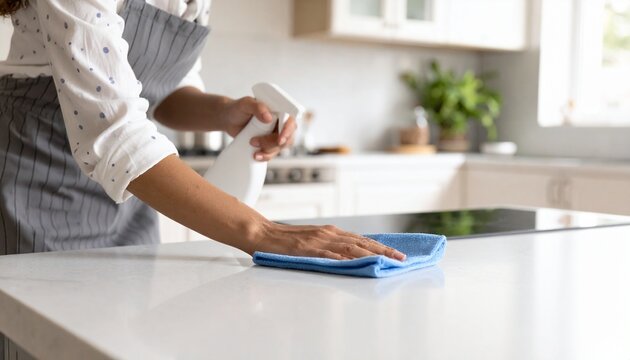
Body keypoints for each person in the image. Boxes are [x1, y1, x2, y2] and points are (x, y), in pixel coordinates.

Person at [0, 0, 407, 259]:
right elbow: (115, 132)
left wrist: (224, 112)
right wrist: (265, 232)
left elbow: (167, 91)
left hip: (134, 202)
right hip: (39, 188)